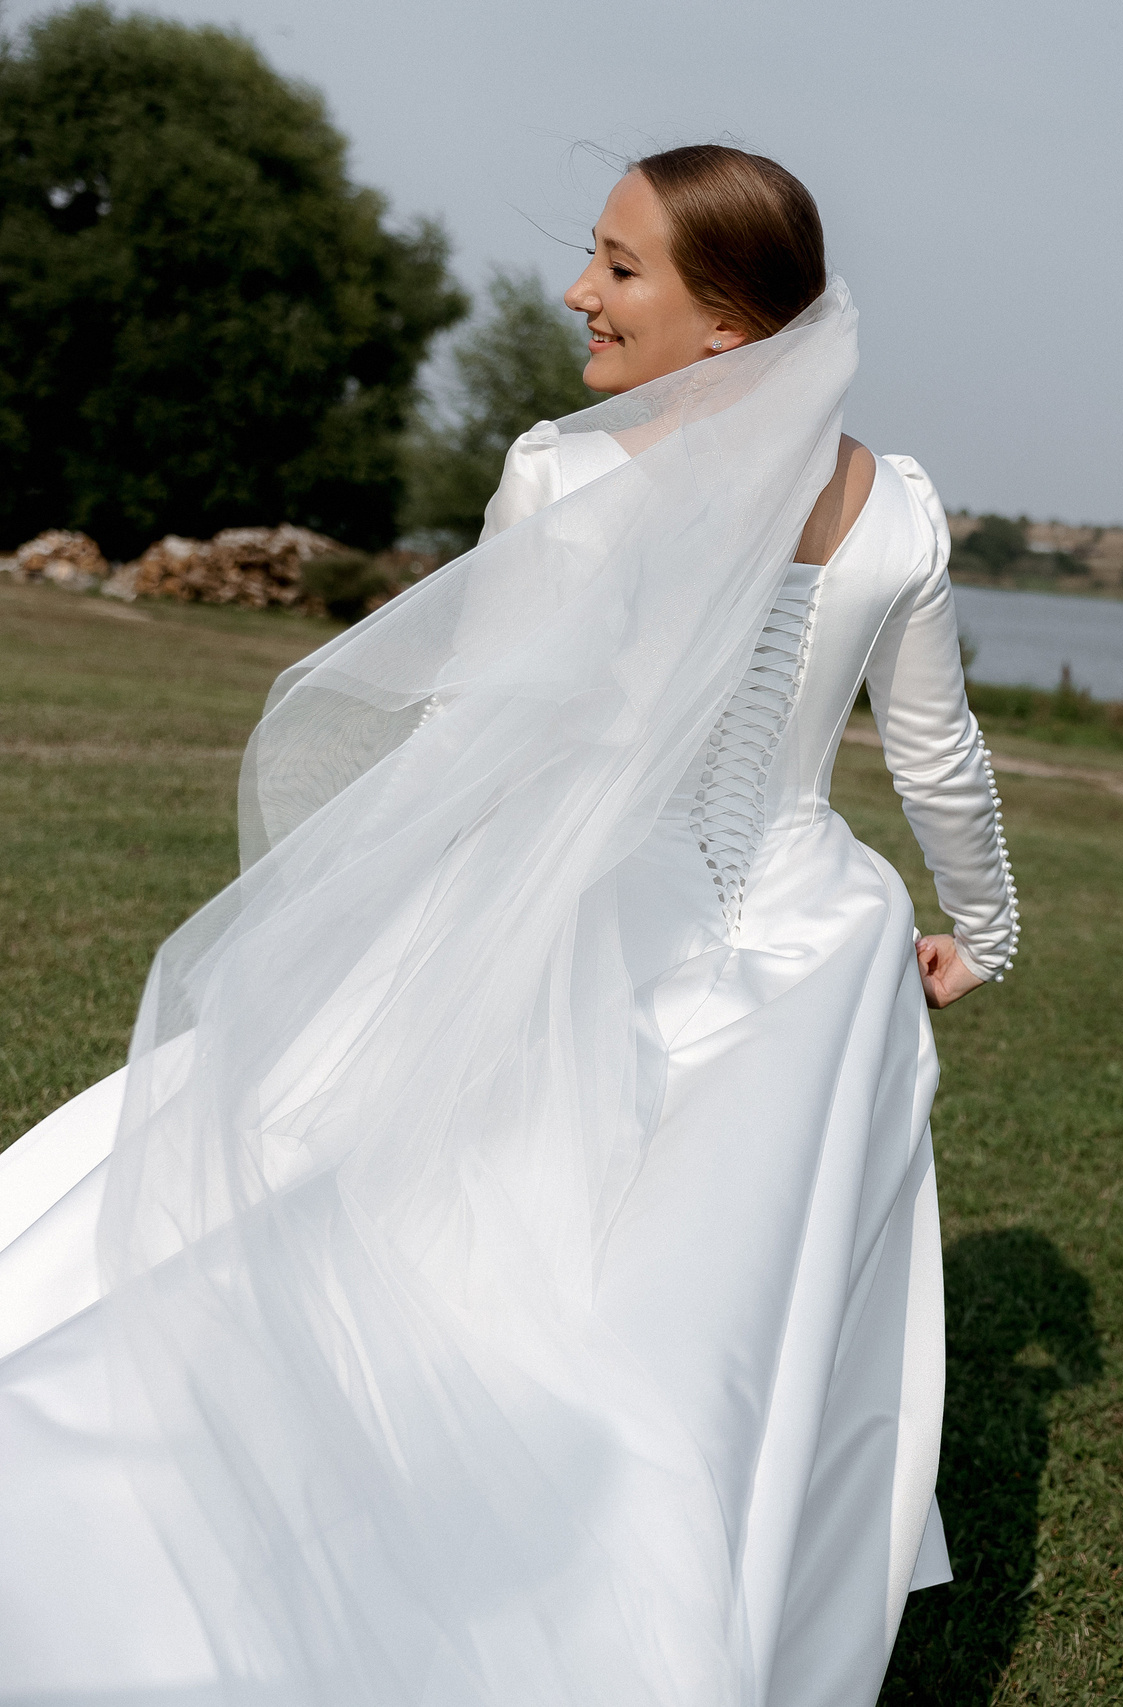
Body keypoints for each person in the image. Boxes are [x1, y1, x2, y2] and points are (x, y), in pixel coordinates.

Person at [0, 145, 1016, 1707]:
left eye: (619, 266)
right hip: (810, 952)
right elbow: (937, 751)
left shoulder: (569, 476)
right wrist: (981, 925)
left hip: (602, 931)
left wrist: (403, 929)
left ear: (727, 325)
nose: (576, 291)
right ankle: (685, 1604)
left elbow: (474, 738)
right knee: (726, 1320)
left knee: (482, 1250)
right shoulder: (894, 508)